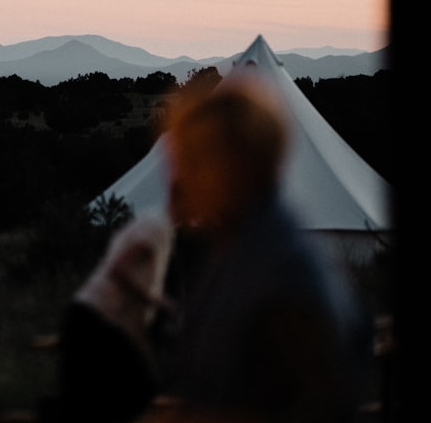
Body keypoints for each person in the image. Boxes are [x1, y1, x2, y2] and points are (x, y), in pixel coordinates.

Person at [152, 76, 370, 423]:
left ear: (228, 168)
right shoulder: (239, 250)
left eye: (189, 162)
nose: (175, 179)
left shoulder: (284, 275)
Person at [56, 212, 174, 423]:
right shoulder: (157, 227)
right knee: (135, 395)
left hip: (90, 319)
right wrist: (154, 300)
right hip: (94, 320)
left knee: (98, 404)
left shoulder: (155, 232)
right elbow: (119, 268)